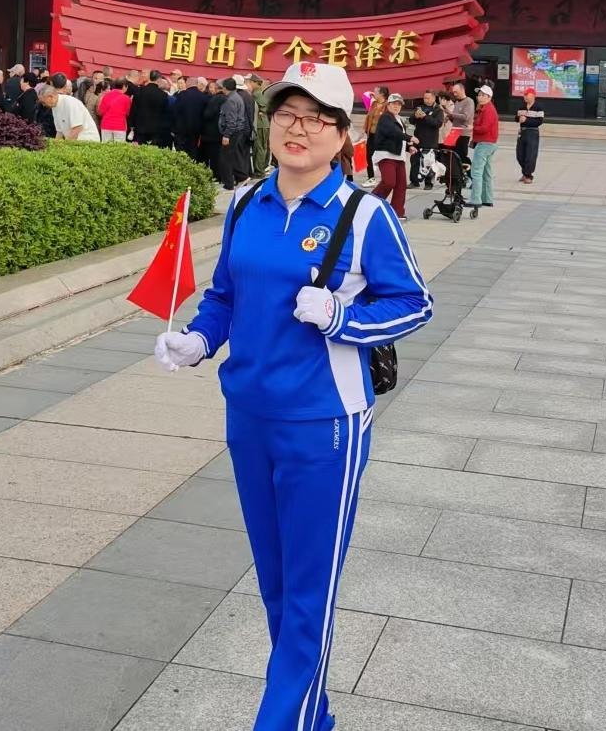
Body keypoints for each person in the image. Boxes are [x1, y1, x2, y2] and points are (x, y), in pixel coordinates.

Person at [153, 61, 432, 731]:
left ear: (341, 134)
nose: (297, 129)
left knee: (309, 591)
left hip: (323, 423)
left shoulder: (363, 215)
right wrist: (199, 338)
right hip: (249, 414)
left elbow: (414, 303)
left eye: (315, 118)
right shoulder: (246, 201)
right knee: (277, 584)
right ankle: (314, 713)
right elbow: (226, 293)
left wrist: (341, 317)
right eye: (286, 114)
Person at [370, 92, 410, 219]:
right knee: (389, 182)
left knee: (401, 185)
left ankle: (397, 212)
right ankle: (370, 203)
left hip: (399, 157)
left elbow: (398, 138)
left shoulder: (399, 119)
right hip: (386, 155)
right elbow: (392, 132)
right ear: (388, 105)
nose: (396, 106)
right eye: (394, 104)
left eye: (399, 104)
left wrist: (409, 147)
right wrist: (409, 137)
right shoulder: (385, 117)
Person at [217, 76, 252, 188]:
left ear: (225, 88)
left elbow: (231, 120)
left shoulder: (230, 100)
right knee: (233, 157)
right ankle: (241, 177)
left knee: (226, 158)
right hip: (237, 131)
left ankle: (230, 183)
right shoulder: (237, 97)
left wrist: (226, 135)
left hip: (232, 133)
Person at [469, 84, 500, 208]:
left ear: (489, 97)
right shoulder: (484, 108)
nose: (479, 97)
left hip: (485, 143)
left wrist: (472, 127)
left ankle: (475, 199)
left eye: (483, 95)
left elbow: (484, 128)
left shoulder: (488, 110)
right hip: (489, 143)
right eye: (479, 95)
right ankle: (487, 198)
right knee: (487, 172)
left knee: (476, 171)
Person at [409, 89, 444, 188]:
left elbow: (437, 123)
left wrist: (425, 117)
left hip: (430, 140)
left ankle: (428, 183)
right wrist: (415, 116)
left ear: (433, 98)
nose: (426, 100)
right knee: (414, 160)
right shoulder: (420, 107)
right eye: (424, 98)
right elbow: (411, 120)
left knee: (428, 162)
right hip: (418, 138)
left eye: (428, 98)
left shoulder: (438, 110)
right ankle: (414, 181)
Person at [131, 69, 171, 146]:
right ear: (159, 79)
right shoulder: (163, 95)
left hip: (140, 128)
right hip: (155, 130)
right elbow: (165, 114)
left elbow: (134, 109)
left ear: (150, 78)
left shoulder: (139, 91)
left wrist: (132, 125)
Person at [172, 75, 208, 158]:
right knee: (193, 151)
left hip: (181, 129)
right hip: (196, 130)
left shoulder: (181, 95)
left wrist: (173, 128)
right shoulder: (203, 97)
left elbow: (175, 112)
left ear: (187, 84)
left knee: (180, 153)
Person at [515, 88, 545, 184]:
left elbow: (539, 121)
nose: (525, 97)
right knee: (520, 154)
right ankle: (525, 172)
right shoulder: (521, 106)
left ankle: (528, 175)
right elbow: (516, 117)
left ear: (533, 96)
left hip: (533, 132)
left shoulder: (538, 107)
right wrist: (519, 118)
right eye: (524, 95)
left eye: (526, 95)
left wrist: (526, 120)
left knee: (530, 155)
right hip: (522, 132)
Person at [443, 79, 474, 168]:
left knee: (461, 154)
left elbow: (465, 117)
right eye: (453, 92)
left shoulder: (469, 101)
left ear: (462, 90)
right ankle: (453, 171)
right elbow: (455, 119)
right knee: (450, 152)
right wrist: (449, 117)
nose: (455, 94)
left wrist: (451, 114)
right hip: (454, 131)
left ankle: (467, 171)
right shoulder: (456, 102)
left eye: (456, 92)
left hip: (463, 132)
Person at [248, 73, 272, 176]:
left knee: (259, 148)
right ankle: (262, 168)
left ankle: (259, 171)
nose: (249, 84)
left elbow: (266, 107)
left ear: (255, 83)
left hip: (260, 124)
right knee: (262, 147)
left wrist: (261, 112)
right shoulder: (259, 92)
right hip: (263, 124)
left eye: (250, 82)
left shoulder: (257, 93)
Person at [362, 87, 387, 185]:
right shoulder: (373, 104)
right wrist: (365, 130)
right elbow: (368, 117)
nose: (374, 93)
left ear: (382, 94)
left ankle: (385, 178)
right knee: (368, 156)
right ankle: (371, 178)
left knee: (382, 157)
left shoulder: (387, 105)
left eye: (376, 92)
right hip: (371, 134)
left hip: (381, 135)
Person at [202, 78, 226, 173]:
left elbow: (207, 115)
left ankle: (215, 175)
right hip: (223, 132)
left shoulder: (214, 99)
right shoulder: (227, 98)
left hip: (212, 132)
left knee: (214, 157)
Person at [97, 78, 132, 142]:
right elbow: (127, 113)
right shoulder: (127, 98)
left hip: (106, 125)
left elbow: (100, 112)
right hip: (120, 126)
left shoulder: (106, 96)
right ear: (124, 86)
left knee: (105, 146)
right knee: (119, 147)